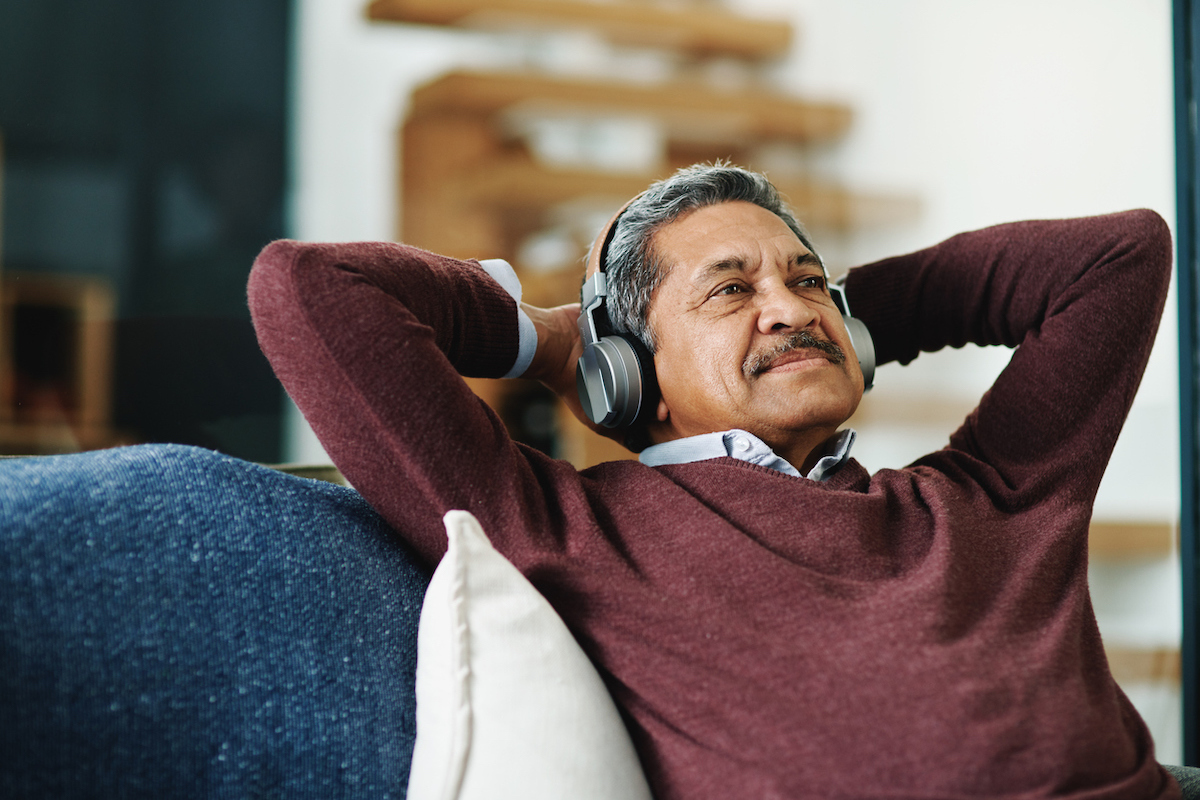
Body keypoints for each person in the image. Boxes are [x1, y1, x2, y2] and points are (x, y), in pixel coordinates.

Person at [245, 163, 1185, 798]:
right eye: (730, 289)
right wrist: (553, 341)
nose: (787, 308)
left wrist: (840, 321)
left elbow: (1119, 256)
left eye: (808, 280)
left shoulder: (992, 492)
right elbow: (308, 288)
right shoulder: (567, 528)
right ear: (630, 372)